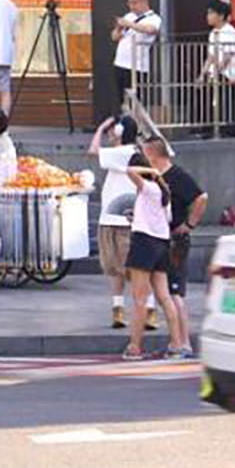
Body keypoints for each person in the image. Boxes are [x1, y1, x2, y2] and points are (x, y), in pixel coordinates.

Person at [121, 157, 190, 361]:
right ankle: (177, 344)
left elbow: (129, 170)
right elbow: (162, 219)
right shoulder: (164, 194)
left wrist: (152, 172)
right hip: (162, 245)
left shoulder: (149, 187)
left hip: (144, 244)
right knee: (164, 296)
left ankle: (135, 347)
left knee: (140, 299)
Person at [146, 136, 203, 358]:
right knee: (168, 291)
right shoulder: (157, 177)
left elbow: (201, 197)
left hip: (175, 240)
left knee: (174, 292)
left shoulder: (176, 176)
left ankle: (184, 343)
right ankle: (176, 341)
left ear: (153, 154)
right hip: (163, 237)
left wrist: (189, 224)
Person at [89, 114, 144, 330]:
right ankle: (134, 309)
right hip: (118, 216)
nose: (111, 133)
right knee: (121, 268)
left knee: (119, 268)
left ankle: (125, 309)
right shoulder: (129, 152)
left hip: (117, 219)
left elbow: (93, 151)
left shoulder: (122, 153)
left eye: (114, 130)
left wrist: (101, 126)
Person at [110, 0, 162, 112]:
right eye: (129, 3)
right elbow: (114, 37)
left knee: (135, 100)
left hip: (137, 67)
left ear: (144, 1)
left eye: (134, 3)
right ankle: (124, 126)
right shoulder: (129, 16)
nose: (131, 6)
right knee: (122, 100)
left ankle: (137, 126)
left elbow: (150, 30)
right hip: (120, 63)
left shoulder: (154, 18)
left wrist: (129, 24)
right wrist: (118, 28)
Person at [202, 0, 235, 85]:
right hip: (216, 74)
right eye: (208, 13)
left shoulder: (230, 32)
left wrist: (215, 74)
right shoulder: (213, 32)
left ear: (221, 16)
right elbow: (211, 56)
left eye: (211, 13)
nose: (208, 16)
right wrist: (202, 75)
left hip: (229, 76)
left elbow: (227, 57)